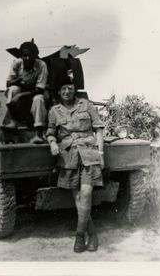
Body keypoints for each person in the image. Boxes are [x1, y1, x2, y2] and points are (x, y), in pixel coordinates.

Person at [46, 76, 105, 253]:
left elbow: (99, 129)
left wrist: (101, 154)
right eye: (63, 88)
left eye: (69, 88)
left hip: (88, 153)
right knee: (78, 198)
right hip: (68, 156)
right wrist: (53, 143)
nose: (66, 91)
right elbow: (50, 132)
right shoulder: (54, 111)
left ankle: (79, 236)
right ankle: (92, 234)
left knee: (86, 194)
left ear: (74, 89)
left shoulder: (86, 105)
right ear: (58, 91)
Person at [5, 40, 48, 144]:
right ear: (21, 56)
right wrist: (19, 80)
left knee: (39, 99)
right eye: (25, 55)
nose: (27, 58)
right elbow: (8, 83)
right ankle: (13, 122)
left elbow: (40, 89)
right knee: (13, 89)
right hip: (22, 90)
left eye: (31, 55)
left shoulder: (41, 65)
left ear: (36, 56)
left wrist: (20, 95)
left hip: (36, 92)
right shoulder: (16, 63)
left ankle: (38, 134)